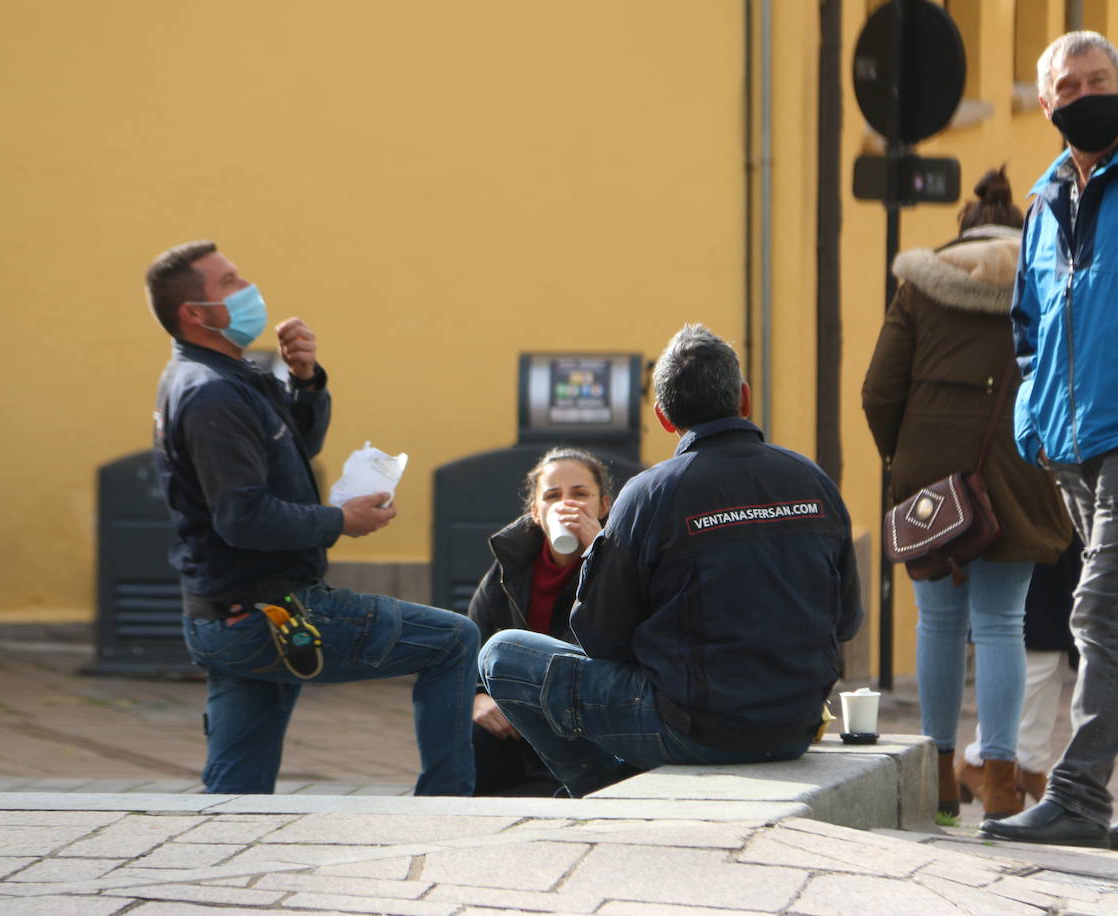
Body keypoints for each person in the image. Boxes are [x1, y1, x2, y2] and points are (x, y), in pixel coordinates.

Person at [145, 239, 480, 796]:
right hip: (268, 613)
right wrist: (338, 520)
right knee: (453, 640)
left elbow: (291, 448)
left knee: (237, 785)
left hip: (235, 612)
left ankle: (210, 852)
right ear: (194, 314)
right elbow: (242, 517)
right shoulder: (210, 395)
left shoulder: (226, 375)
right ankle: (447, 808)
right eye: (228, 283)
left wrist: (304, 381)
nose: (247, 288)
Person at [478, 324, 863, 798]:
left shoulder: (648, 494)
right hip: (795, 726)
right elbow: (846, 621)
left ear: (663, 417)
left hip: (693, 729)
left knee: (502, 656)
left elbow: (602, 639)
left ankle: (602, 786)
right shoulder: (813, 480)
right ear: (743, 399)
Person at [861, 166, 1073, 821]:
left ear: (961, 229)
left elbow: (878, 389)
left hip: (929, 476)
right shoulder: (1050, 276)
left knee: (938, 624)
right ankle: (1002, 783)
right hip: (1018, 462)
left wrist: (905, 463)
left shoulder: (920, 284)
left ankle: (939, 781)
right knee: (1003, 625)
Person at [979, 30, 1118, 848]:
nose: (1085, 94)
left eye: (1098, 80)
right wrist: (1033, 417)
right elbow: (1028, 326)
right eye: (1069, 87)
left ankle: (1075, 796)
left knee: (1099, 612)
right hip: (1067, 445)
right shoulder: (1043, 204)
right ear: (1047, 104)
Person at [467, 446, 613, 795]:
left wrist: (601, 556)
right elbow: (473, 638)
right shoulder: (511, 569)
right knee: (466, 736)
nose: (567, 504)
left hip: (582, 725)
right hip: (515, 728)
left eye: (580, 494)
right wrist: (477, 697)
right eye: (552, 496)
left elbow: (617, 637)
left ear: (603, 506)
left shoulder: (619, 562)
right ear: (536, 511)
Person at [959, 537, 1083, 807]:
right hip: (1030, 522)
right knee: (1038, 647)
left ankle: (1029, 763)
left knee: (1056, 660)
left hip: (1057, 524)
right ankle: (978, 760)